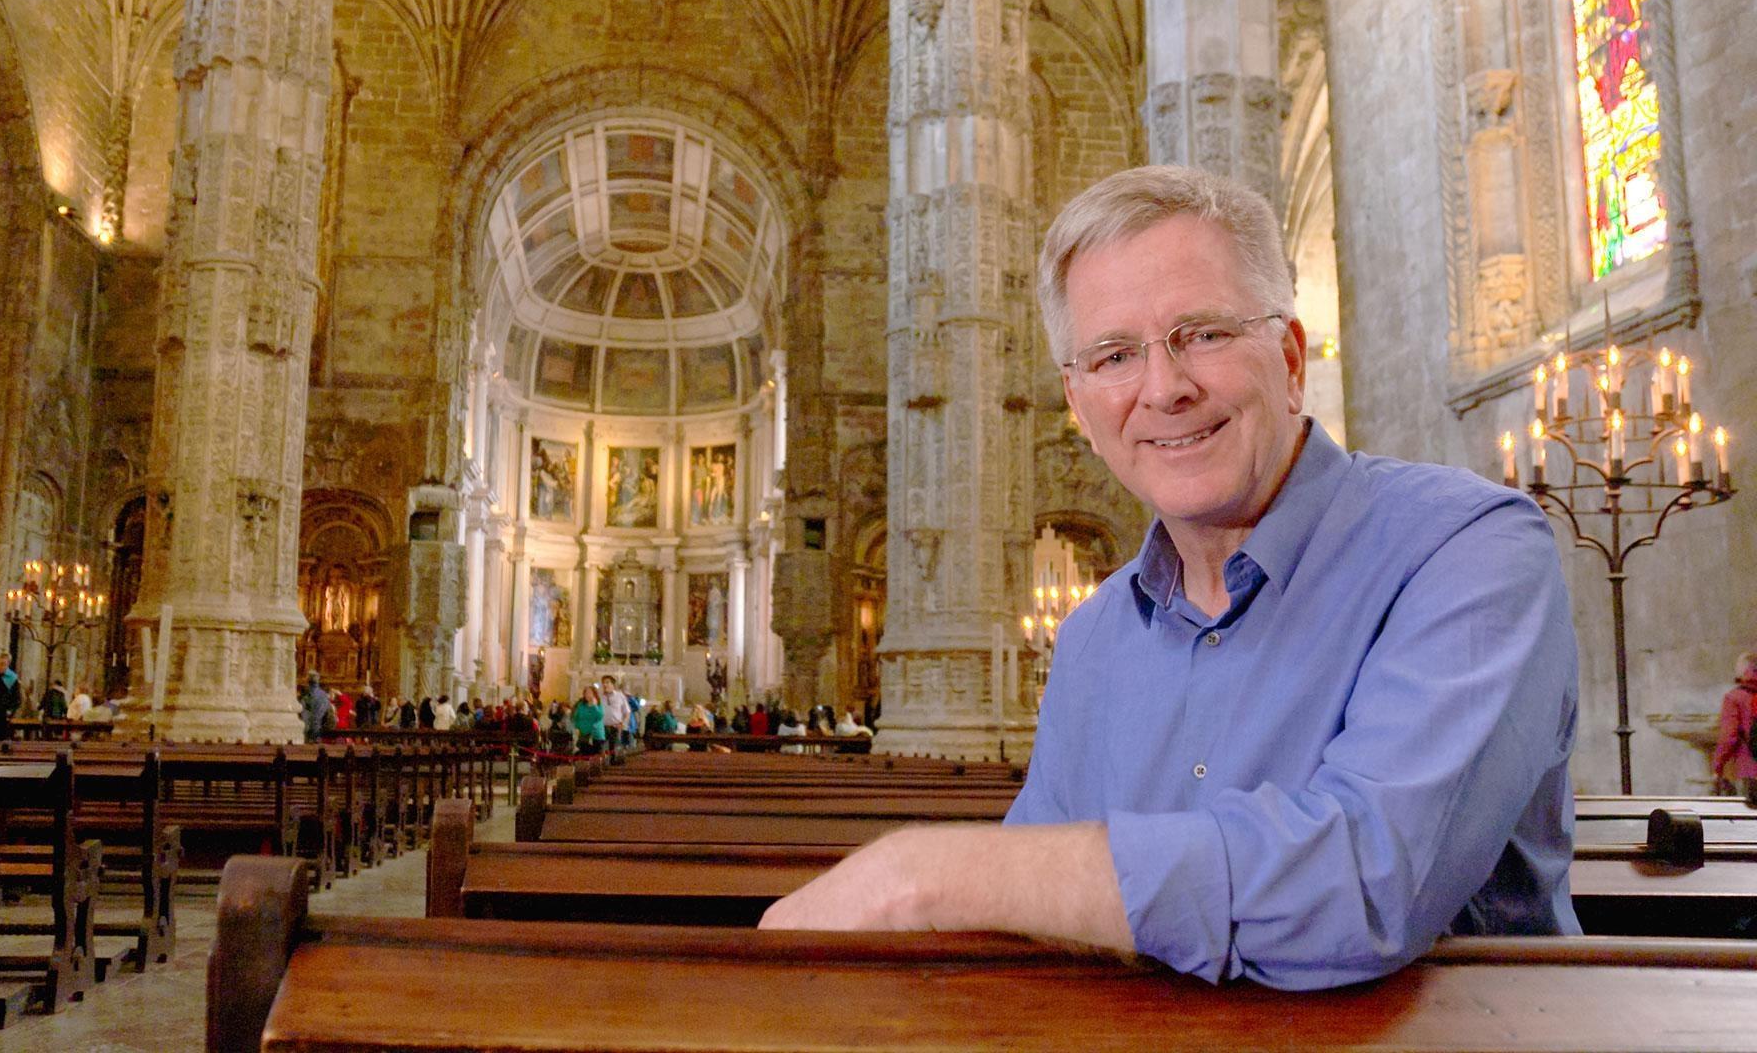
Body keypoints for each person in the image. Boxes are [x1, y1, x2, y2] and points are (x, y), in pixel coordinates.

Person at [760, 165, 1580, 992]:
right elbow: (1032, 932)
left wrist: (925, 872)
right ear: (1080, 410)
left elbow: (1371, 880)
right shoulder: (1090, 639)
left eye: (1205, 334)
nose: (1165, 389)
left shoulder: (1466, 551)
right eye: (1115, 356)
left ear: (1290, 359)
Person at [1710, 652, 1757, 803]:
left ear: (1744, 670)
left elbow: (1729, 737)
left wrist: (1717, 767)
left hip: (1750, 771)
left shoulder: (1735, 698)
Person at [298, 673, 331, 743]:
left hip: (308, 726)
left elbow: (302, 710)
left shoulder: (306, 694)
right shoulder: (323, 694)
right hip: (319, 725)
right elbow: (327, 710)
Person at [572, 688, 606, 755]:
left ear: (594, 694)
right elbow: (576, 717)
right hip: (583, 734)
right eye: (586, 693)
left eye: (590, 693)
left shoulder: (598, 705)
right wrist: (577, 727)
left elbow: (599, 716)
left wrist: (594, 706)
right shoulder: (581, 705)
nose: (588, 695)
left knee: (596, 756)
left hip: (596, 734)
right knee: (585, 754)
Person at [601, 677, 630, 750]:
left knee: (614, 748)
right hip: (603, 727)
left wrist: (622, 724)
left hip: (615, 727)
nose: (605, 685)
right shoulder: (600, 697)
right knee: (602, 748)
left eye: (607, 682)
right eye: (603, 683)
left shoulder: (620, 696)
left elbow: (627, 711)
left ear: (613, 684)